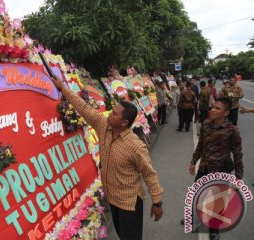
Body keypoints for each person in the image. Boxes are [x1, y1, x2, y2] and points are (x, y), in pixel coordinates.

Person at [51, 76, 163, 240]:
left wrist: (157, 203)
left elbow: (149, 173)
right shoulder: (104, 126)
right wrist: (62, 88)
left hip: (129, 202)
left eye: (115, 114)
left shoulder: (135, 146)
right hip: (112, 199)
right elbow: (84, 108)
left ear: (124, 122)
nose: (110, 114)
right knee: (121, 235)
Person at [189, 97, 243, 240]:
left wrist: (238, 176)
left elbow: (237, 154)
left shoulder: (232, 130)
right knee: (197, 194)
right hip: (204, 168)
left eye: (217, 108)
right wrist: (193, 161)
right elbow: (201, 145)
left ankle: (214, 229)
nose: (212, 109)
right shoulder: (206, 124)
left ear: (226, 113)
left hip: (221, 170)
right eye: (212, 107)